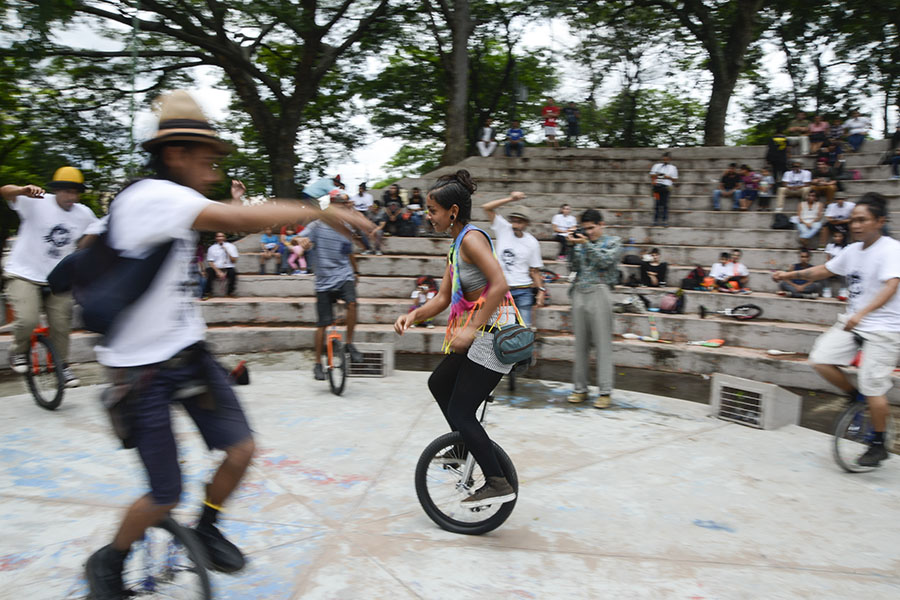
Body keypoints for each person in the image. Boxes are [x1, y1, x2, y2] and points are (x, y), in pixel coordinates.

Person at [83, 89, 373, 599]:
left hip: (186, 354)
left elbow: (228, 217)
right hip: (140, 370)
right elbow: (236, 219)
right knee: (163, 495)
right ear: (175, 154)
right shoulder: (151, 197)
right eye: (207, 161)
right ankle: (109, 562)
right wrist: (321, 211)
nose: (213, 173)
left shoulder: (176, 204)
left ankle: (208, 527)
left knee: (240, 450)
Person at [394, 169, 518, 507]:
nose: (427, 216)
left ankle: (496, 481)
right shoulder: (455, 247)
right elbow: (442, 298)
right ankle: (465, 446)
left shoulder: (473, 239)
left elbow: (500, 285)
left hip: (493, 335)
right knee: (439, 384)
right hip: (479, 334)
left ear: (452, 212)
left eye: (432, 210)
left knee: (462, 412)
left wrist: (470, 328)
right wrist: (413, 314)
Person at [772, 193, 900, 467]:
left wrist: (863, 313)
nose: (855, 225)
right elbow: (823, 270)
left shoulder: (891, 249)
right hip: (854, 322)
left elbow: (891, 286)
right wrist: (788, 275)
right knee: (820, 359)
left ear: (880, 221)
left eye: (862, 220)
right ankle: (855, 396)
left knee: (874, 387)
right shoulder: (852, 251)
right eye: (853, 220)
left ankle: (878, 444)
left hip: (884, 328)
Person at [1, 167, 99, 386]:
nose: (71, 198)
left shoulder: (83, 213)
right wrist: (21, 190)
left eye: (75, 193)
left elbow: (98, 231)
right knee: (27, 319)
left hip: (58, 279)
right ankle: (18, 351)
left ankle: (61, 367)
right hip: (23, 273)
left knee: (62, 324)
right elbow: (5, 191)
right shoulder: (35, 200)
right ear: (56, 190)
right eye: (66, 192)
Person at [298, 193, 365, 380]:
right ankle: (317, 364)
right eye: (339, 206)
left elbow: (348, 252)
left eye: (345, 205)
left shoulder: (347, 228)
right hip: (324, 282)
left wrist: (356, 271)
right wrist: (300, 241)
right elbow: (296, 239)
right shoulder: (317, 226)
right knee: (322, 325)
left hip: (344, 275)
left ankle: (350, 344)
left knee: (352, 303)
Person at [566, 209, 623, 409]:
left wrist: (585, 244)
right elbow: (572, 266)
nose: (589, 232)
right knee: (580, 345)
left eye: (592, 228)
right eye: (586, 228)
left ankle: (605, 391)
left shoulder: (613, 242)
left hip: (600, 291)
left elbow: (605, 261)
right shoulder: (581, 243)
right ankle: (580, 389)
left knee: (602, 345)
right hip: (579, 291)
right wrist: (571, 246)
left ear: (601, 225)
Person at [482, 193, 546, 327]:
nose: (515, 224)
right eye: (514, 220)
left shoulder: (532, 242)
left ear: (526, 223)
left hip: (524, 290)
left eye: (520, 221)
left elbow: (534, 270)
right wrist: (511, 199)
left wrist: (540, 291)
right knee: (502, 328)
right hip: (502, 290)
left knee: (524, 329)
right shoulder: (503, 229)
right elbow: (487, 207)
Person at [202, 232, 239, 298]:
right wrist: (218, 271)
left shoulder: (231, 246)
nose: (220, 238)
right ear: (216, 238)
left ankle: (230, 292)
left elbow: (234, 261)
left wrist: (227, 251)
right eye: (218, 236)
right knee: (209, 272)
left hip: (228, 267)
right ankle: (208, 293)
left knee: (233, 273)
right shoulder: (211, 248)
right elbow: (210, 262)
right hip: (216, 267)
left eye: (222, 236)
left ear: (224, 238)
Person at [649, 152, 678, 225]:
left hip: (666, 187)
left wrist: (668, 177)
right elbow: (651, 175)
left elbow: (675, 179)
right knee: (657, 204)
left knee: (665, 204)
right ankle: (655, 221)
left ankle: (665, 221)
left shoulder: (673, 168)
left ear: (669, 159)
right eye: (664, 159)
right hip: (657, 187)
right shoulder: (656, 166)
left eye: (667, 159)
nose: (665, 160)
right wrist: (658, 175)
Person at [823, 229, 848, 298]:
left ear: (843, 237)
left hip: (841, 267)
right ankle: (826, 289)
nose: (837, 238)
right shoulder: (830, 246)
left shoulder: (847, 247)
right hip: (831, 266)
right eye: (835, 236)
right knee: (823, 272)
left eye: (839, 236)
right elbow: (828, 259)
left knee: (844, 273)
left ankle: (843, 290)